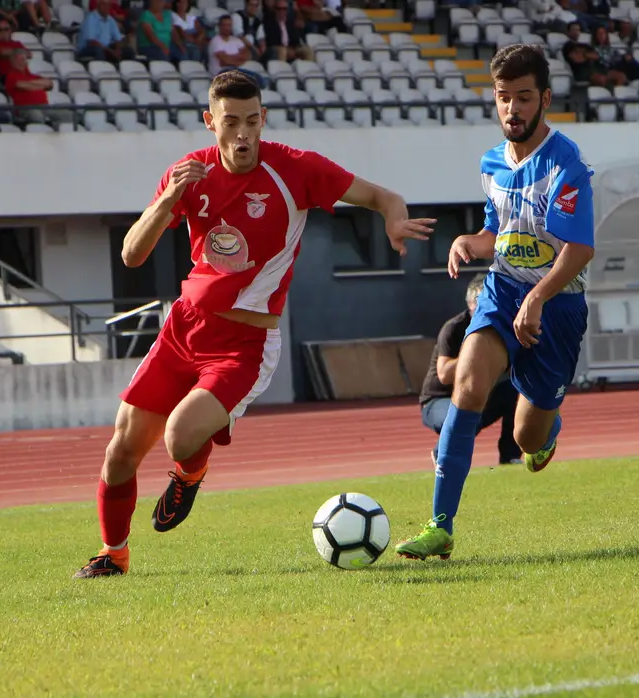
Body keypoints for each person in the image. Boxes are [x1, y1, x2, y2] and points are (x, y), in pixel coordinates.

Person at [74, 69, 435, 579]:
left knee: (180, 437)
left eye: (251, 121)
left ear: (263, 118)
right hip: (184, 328)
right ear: (210, 123)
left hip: (244, 343)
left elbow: (383, 196)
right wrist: (167, 201)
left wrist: (394, 221)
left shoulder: (296, 169)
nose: (243, 134)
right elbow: (133, 254)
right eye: (230, 123)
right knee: (120, 451)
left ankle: (190, 472)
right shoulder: (188, 173)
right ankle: (113, 554)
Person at [394, 44, 595, 561]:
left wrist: (540, 296)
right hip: (503, 289)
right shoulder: (491, 163)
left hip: (558, 304)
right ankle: (441, 525)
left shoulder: (566, 164)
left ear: (545, 99)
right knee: (467, 383)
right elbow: (495, 231)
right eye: (503, 98)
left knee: (528, 438)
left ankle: (547, 431)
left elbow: (579, 249)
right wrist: (470, 243)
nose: (512, 108)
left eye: (523, 97)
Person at [420, 273, 521, 465]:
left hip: (478, 393)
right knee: (463, 414)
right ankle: (443, 454)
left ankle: (510, 456)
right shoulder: (454, 328)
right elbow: (444, 374)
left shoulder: (502, 327)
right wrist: (474, 356)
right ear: (471, 305)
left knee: (513, 391)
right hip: (439, 399)